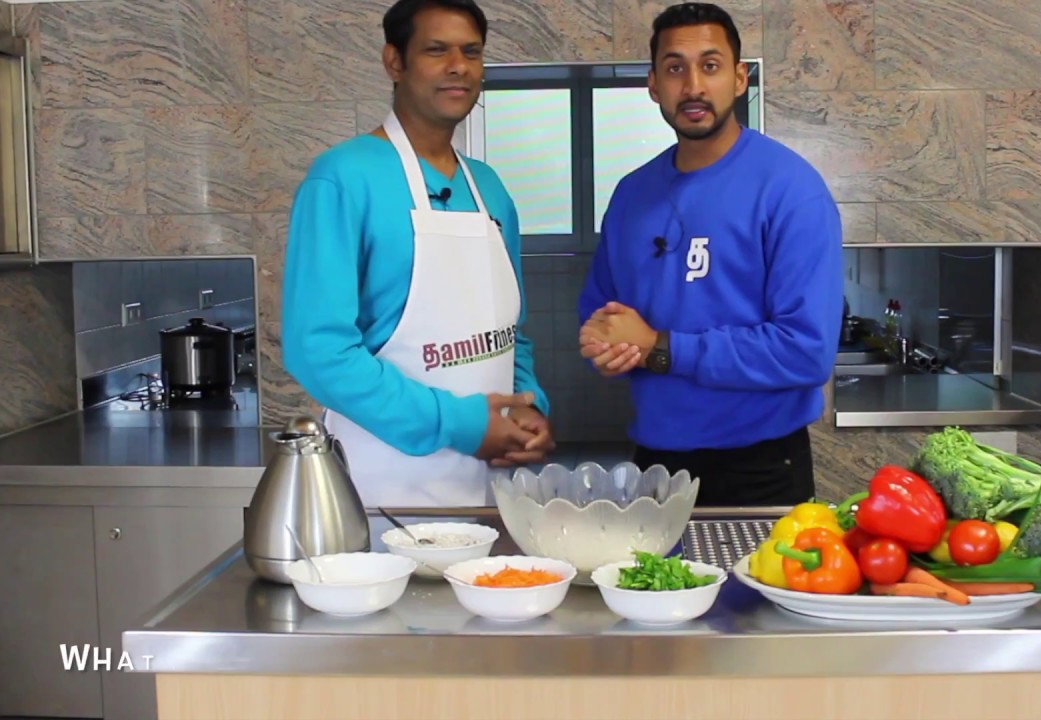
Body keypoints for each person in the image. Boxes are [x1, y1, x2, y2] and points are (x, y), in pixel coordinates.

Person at [281, 0, 553, 509]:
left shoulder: (489, 188)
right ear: (395, 61)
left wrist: (529, 404)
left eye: (471, 52)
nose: (458, 67)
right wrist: (462, 424)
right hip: (384, 496)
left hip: (492, 491)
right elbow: (318, 350)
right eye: (436, 50)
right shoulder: (343, 177)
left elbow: (511, 333)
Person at [577, 2, 843, 507]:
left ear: (740, 79)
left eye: (711, 65)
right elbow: (599, 315)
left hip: (761, 468)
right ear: (654, 84)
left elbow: (806, 351)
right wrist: (606, 348)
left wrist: (660, 346)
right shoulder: (632, 196)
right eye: (675, 68)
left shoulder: (789, 189)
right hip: (655, 465)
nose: (693, 86)